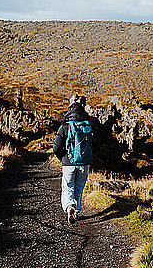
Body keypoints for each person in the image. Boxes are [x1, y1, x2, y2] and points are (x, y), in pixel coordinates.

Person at [53, 96, 94, 224]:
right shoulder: (88, 124)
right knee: (79, 187)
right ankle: (76, 212)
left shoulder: (65, 126)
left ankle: (70, 206)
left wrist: (63, 159)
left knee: (68, 186)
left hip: (68, 162)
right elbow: (96, 144)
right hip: (84, 162)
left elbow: (56, 147)